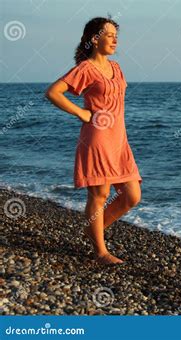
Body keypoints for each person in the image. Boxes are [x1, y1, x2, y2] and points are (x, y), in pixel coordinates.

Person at [45, 16, 142, 265]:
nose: (114, 39)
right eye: (109, 34)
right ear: (94, 39)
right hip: (97, 138)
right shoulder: (85, 68)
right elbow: (53, 92)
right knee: (100, 194)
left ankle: (93, 230)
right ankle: (100, 252)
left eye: (115, 35)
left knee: (132, 195)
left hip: (119, 139)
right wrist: (81, 112)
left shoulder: (117, 68)